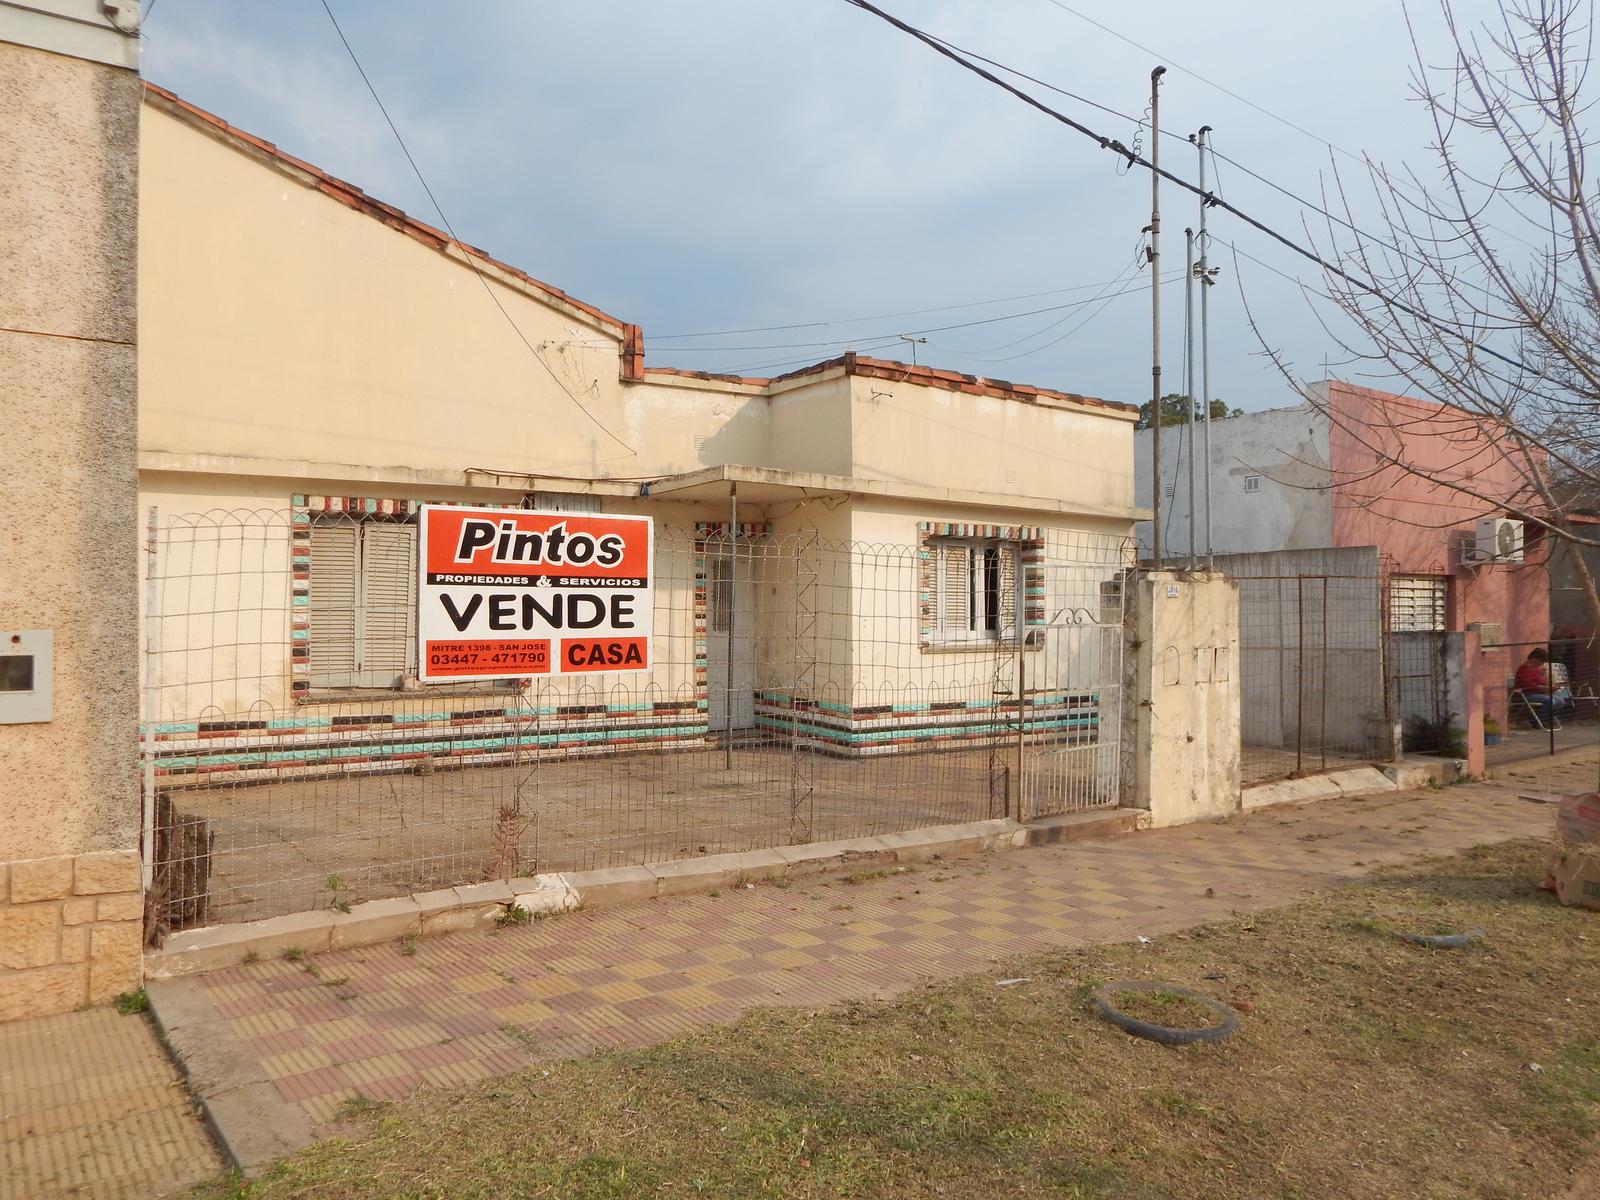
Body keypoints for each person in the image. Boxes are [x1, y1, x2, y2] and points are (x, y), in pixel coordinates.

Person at [1514, 647, 1573, 725]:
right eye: (1541, 662)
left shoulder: (1536, 669)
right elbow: (1526, 684)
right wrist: (1542, 688)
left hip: (1538, 693)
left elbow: (1542, 681)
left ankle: (1547, 719)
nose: (1541, 664)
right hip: (1526, 694)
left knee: (1560, 701)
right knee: (1550, 701)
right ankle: (1536, 721)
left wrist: (1551, 686)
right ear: (1536, 659)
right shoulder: (1524, 668)